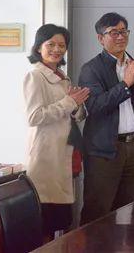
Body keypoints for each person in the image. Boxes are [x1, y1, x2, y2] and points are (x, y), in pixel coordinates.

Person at [79, 12, 134, 224]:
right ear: (100, 38)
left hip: (133, 146)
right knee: (97, 210)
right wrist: (125, 84)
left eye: (124, 31)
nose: (120, 37)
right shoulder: (91, 68)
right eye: (113, 32)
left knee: (127, 211)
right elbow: (96, 106)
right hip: (104, 150)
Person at [23, 24, 89, 241]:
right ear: (38, 47)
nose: (57, 49)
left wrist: (77, 105)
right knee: (46, 224)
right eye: (50, 44)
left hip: (66, 154)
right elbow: (34, 117)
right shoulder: (35, 76)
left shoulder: (62, 76)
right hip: (47, 159)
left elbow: (74, 114)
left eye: (61, 45)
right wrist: (70, 102)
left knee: (63, 220)